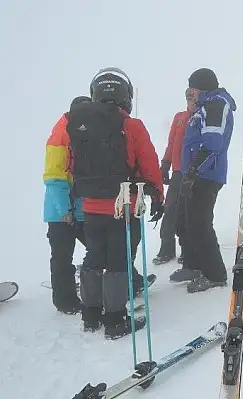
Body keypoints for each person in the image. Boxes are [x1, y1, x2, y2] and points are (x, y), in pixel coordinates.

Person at [67, 67, 164, 340]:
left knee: (94, 255)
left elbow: (72, 164)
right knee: (119, 260)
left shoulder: (80, 124)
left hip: (91, 206)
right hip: (124, 204)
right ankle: (115, 320)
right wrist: (158, 194)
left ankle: (90, 315)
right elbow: (148, 162)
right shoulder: (131, 126)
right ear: (126, 95)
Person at [168, 68, 235, 293]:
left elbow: (213, 143)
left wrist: (194, 170)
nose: (189, 94)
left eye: (191, 89)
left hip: (206, 175)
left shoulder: (215, 105)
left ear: (202, 87)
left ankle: (215, 274)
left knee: (199, 225)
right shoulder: (205, 106)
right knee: (184, 222)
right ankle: (193, 265)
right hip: (196, 174)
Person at [43, 95, 92, 315]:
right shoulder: (61, 134)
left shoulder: (88, 131)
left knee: (100, 248)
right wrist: (65, 210)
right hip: (60, 212)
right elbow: (54, 177)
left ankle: (115, 285)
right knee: (62, 256)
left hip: (83, 209)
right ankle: (65, 301)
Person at [153, 88, 196, 265]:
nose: (190, 100)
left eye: (193, 97)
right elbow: (172, 143)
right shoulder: (180, 117)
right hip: (178, 171)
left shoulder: (202, 117)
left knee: (189, 212)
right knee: (170, 209)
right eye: (188, 97)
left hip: (194, 173)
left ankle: (189, 249)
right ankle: (167, 248)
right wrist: (165, 164)